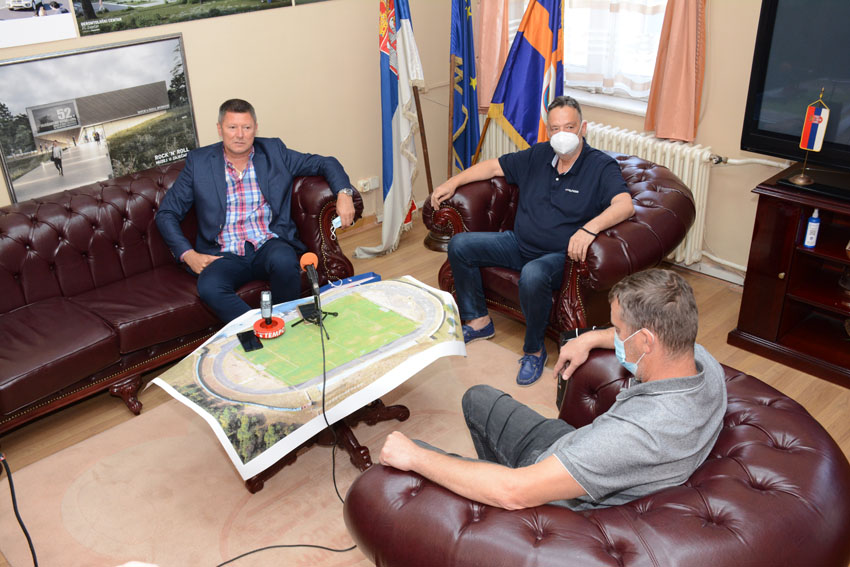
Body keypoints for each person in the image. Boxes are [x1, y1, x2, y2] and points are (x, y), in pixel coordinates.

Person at [379, 269, 726, 512]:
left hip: (558, 489)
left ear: (646, 341)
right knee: (477, 397)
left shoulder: (636, 434)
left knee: (410, 455)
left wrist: (415, 457)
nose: (616, 337)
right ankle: (484, 481)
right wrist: (591, 338)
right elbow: (647, 338)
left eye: (618, 331)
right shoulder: (701, 363)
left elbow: (514, 491)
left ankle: (492, 515)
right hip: (572, 447)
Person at [431, 96, 635, 386]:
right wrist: (452, 183)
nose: (562, 134)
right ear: (548, 130)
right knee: (460, 246)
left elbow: (625, 205)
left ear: (583, 128)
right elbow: (492, 167)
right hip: (519, 244)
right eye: (555, 128)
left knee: (533, 274)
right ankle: (478, 321)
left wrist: (590, 229)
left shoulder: (600, 166)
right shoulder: (539, 155)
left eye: (569, 127)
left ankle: (534, 350)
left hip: (559, 256)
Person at [156, 98, 357, 323]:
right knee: (210, 287)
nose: (239, 135)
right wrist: (188, 254)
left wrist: (344, 194)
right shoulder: (199, 163)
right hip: (223, 253)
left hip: (268, 244)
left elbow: (325, 162)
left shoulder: (274, 152)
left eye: (246, 127)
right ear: (220, 129)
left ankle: (286, 322)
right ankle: (259, 330)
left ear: (256, 128)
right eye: (232, 127)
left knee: (285, 261)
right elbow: (166, 214)